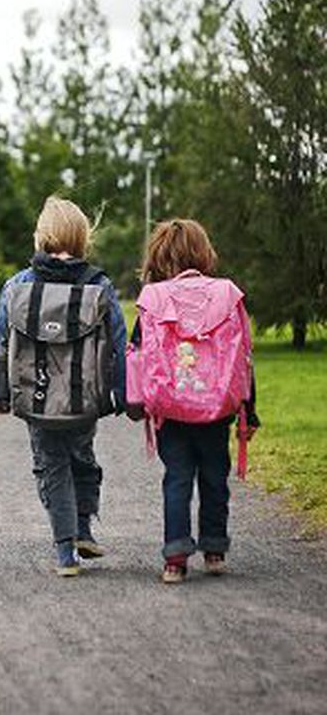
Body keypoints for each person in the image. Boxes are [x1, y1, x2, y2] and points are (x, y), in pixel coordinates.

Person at [0, 195, 127, 576]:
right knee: (82, 457)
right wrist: (122, 392)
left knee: (50, 464)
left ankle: (66, 552)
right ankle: (84, 528)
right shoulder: (98, 285)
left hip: (36, 398)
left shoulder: (18, 286)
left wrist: (0, 393)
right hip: (84, 398)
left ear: (41, 236)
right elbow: (119, 339)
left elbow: (1, 343)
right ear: (83, 237)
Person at [128, 219, 259, 584]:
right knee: (215, 477)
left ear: (158, 256)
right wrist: (249, 408)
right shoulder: (228, 294)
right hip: (217, 407)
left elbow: (137, 353)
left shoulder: (152, 298)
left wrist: (137, 403)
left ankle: (175, 558)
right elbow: (245, 357)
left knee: (177, 479)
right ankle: (214, 548)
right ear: (204, 253)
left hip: (170, 408)